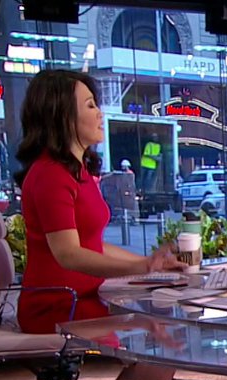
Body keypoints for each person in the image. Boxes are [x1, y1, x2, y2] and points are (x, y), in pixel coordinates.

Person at [14, 69, 182, 336]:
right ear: (62, 115)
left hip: (85, 299)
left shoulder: (75, 171)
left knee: (160, 315)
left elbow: (92, 245)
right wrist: (141, 268)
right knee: (156, 321)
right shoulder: (50, 174)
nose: (100, 114)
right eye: (90, 105)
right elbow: (68, 253)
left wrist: (150, 264)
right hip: (59, 308)